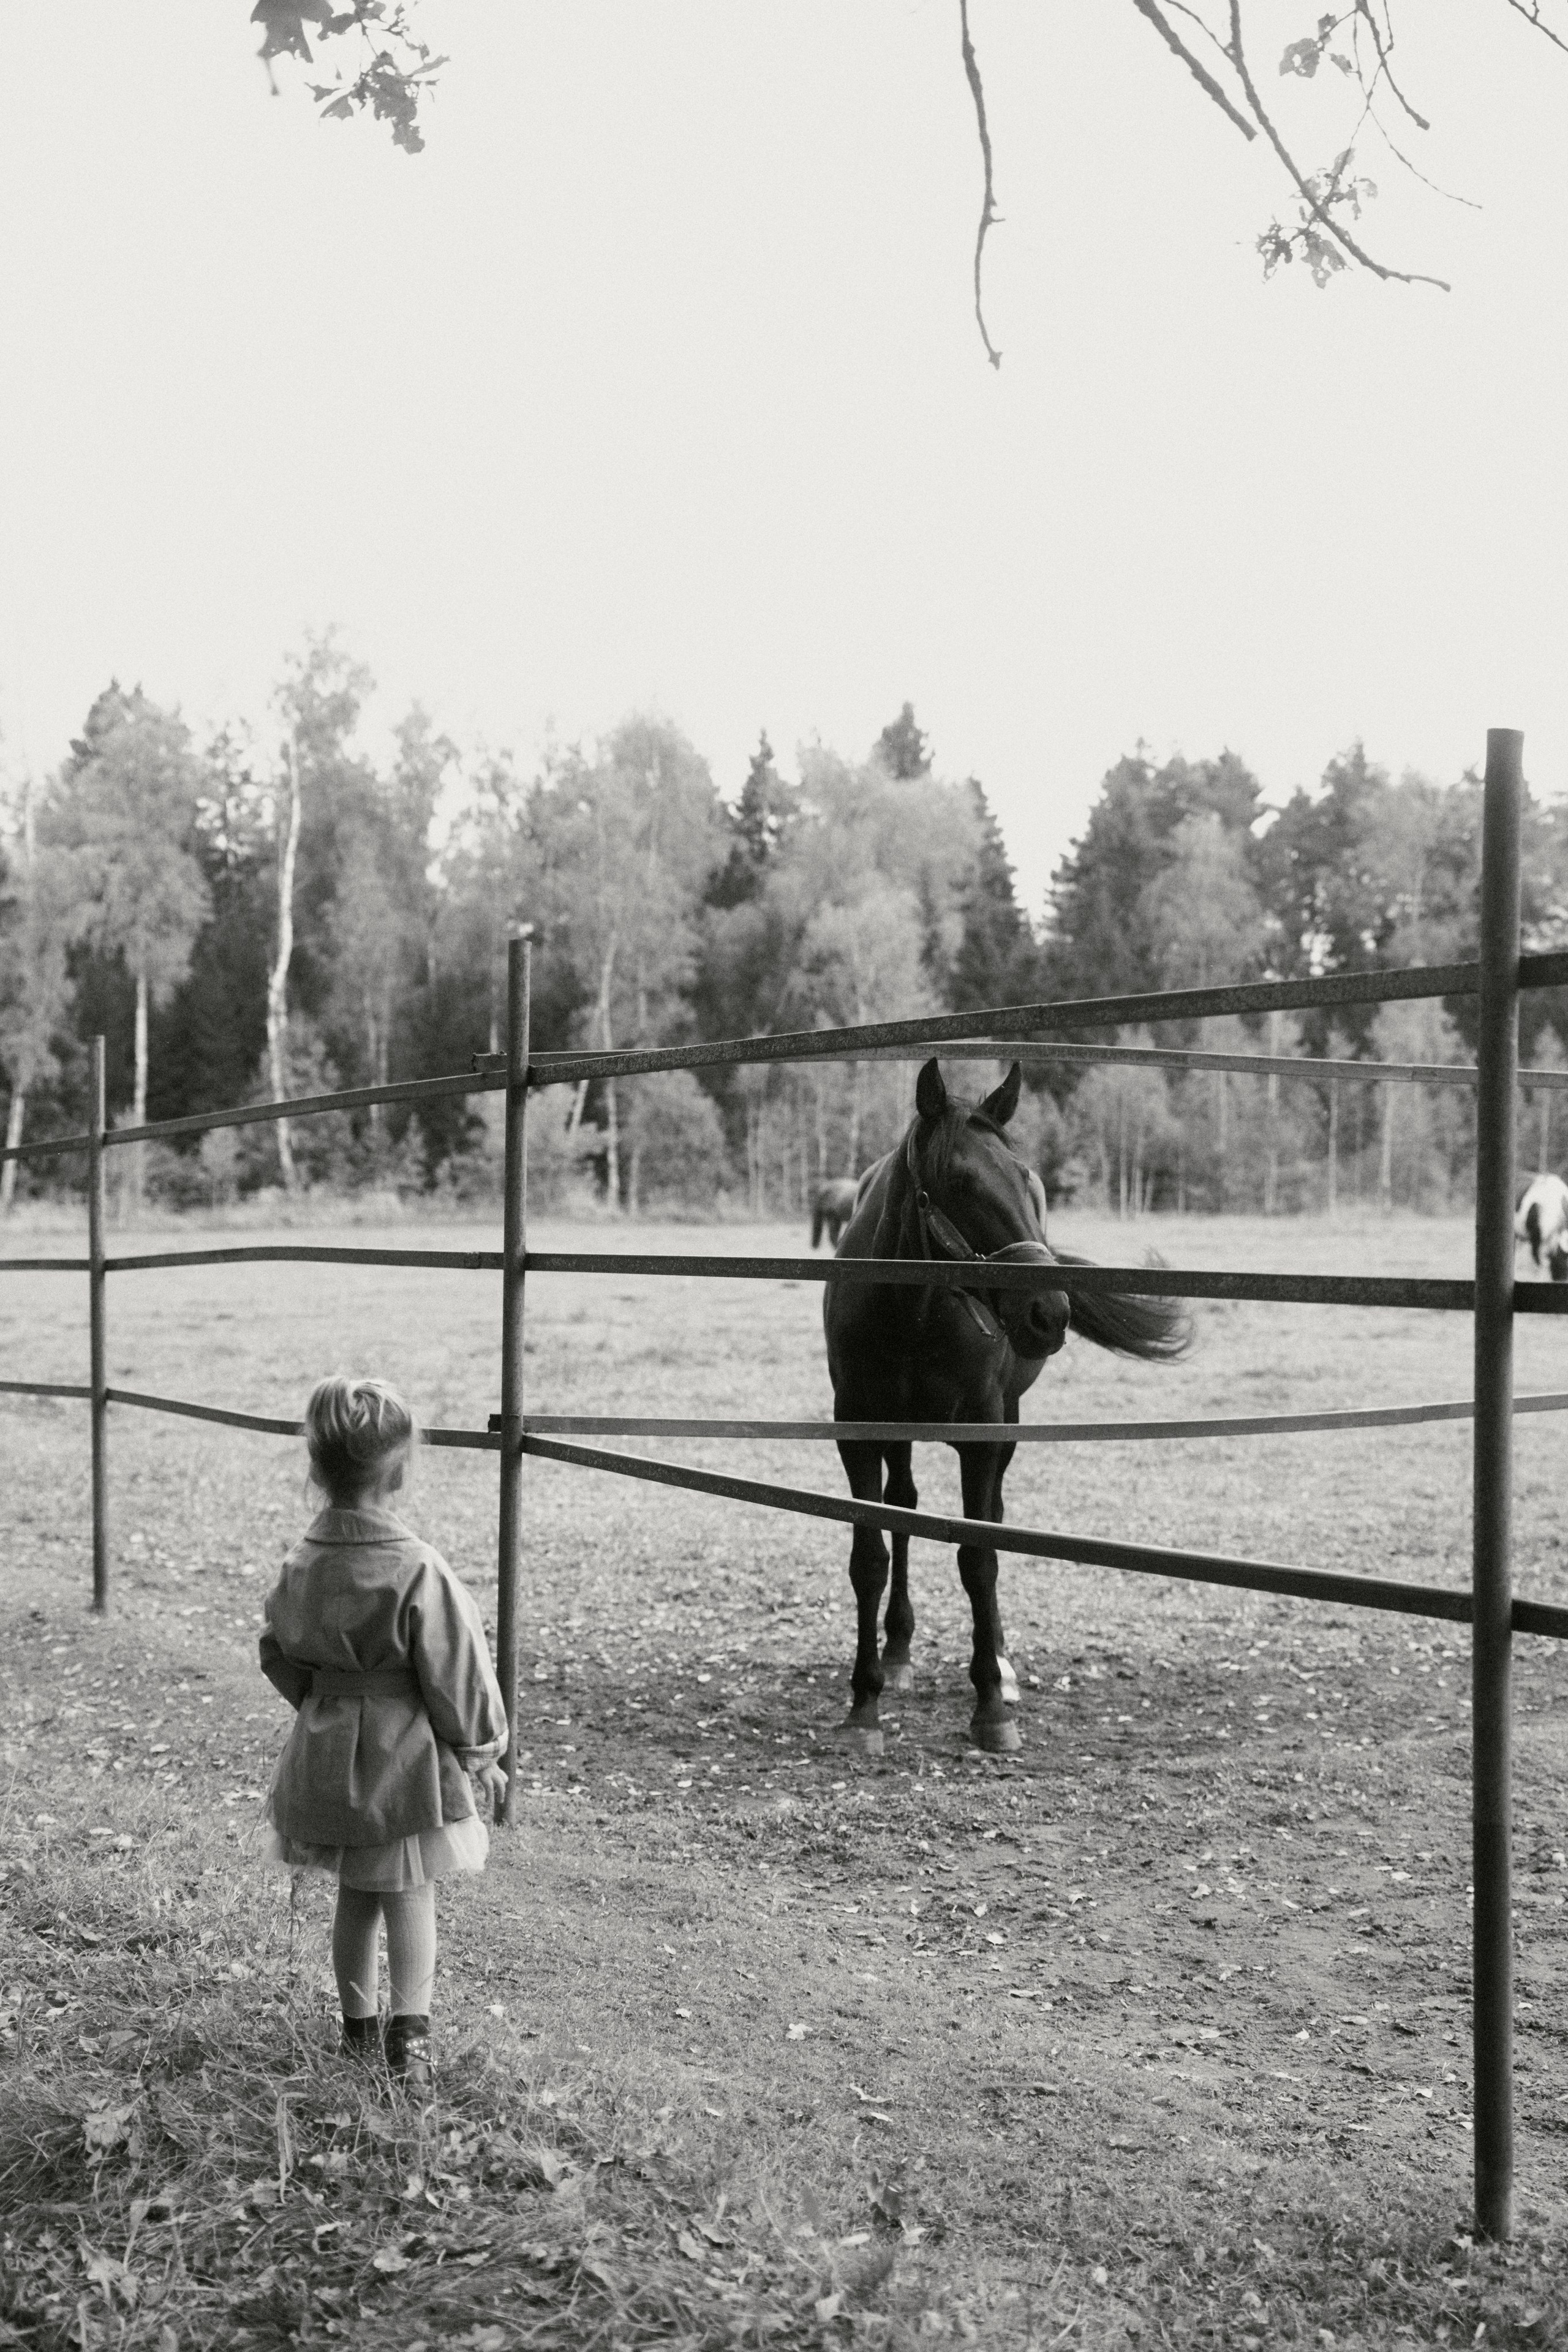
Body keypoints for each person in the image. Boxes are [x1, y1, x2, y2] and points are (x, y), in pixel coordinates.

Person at [259, 1374, 508, 2086]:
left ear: (315, 1468)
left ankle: (357, 2033)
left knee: (354, 1898)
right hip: (403, 1764)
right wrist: (481, 1749)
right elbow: (455, 1667)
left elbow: (274, 1647)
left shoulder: (301, 1562)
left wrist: (323, 1704)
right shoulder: (417, 1567)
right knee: (409, 1892)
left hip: (328, 1755)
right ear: (400, 1470)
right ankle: (412, 2042)